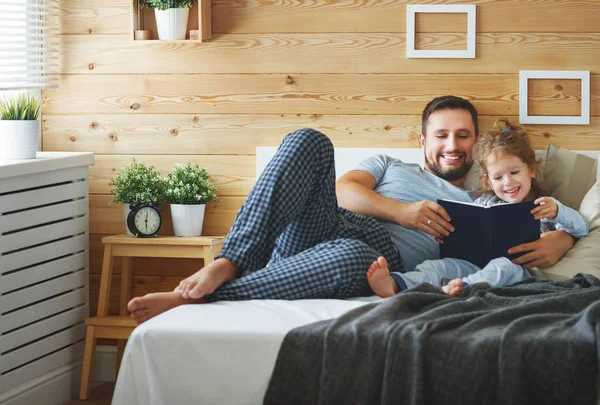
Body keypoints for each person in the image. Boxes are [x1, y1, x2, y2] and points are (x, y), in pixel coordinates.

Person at [127, 96, 576, 324]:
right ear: (422, 140)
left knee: (353, 256)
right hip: (322, 225)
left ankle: (193, 300)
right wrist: (401, 212)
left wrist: (563, 236)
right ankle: (229, 261)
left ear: (476, 143)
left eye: (463, 136)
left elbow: (548, 224)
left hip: (367, 258)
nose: (452, 145)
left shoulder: (489, 199)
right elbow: (342, 191)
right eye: (441, 134)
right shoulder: (387, 166)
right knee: (309, 140)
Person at [365, 119, 589, 297]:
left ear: (530, 170)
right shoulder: (484, 203)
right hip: (471, 263)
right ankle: (395, 284)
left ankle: (462, 289)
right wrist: (452, 237)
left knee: (502, 266)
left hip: (517, 269)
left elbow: (581, 229)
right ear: (488, 181)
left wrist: (559, 212)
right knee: (438, 266)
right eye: (498, 177)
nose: (508, 182)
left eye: (514, 173)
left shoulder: (545, 205)